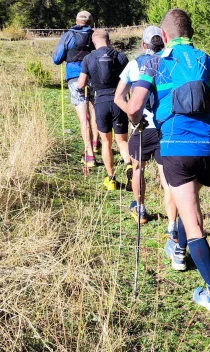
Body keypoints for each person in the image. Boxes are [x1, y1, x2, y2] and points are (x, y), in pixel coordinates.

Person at [125, 9, 210, 312]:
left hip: (176, 146)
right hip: (208, 148)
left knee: (193, 220)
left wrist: (136, 122)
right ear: (190, 33)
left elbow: (134, 106)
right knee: (188, 206)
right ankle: (179, 249)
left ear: (164, 36)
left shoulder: (155, 63)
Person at [115, 26, 178, 233]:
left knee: (138, 169)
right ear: (165, 42)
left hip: (144, 126)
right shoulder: (171, 63)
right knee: (167, 178)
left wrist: (135, 118)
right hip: (166, 126)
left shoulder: (135, 64)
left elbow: (119, 97)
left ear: (144, 45)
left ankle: (140, 209)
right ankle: (172, 225)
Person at [78, 29, 130, 190]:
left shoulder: (88, 58)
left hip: (100, 102)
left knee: (106, 142)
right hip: (119, 102)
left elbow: (81, 84)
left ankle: (111, 179)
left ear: (94, 42)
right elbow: (130, 80)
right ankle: (129, 165)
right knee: (122, 141)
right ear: (109, 40)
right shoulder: (121, 57)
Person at [52, 11, 99, 168]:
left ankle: (90, 155)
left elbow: (57, 59)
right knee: (93, 109)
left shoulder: (69, 35)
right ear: (91, 22)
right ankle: (96, 143)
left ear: (76, 21)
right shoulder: (95, 35)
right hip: (93, 76)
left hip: (75, 78)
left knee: (83, 115)